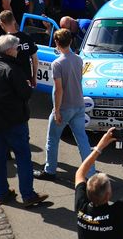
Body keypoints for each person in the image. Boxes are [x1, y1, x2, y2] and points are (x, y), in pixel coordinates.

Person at [0, 34, 48, 208]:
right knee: (23, 157)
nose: (18, 50)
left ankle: (1, 193)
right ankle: (28, 194)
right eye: (16, 48)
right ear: (10, 50)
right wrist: (26, 84)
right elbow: (25, 93)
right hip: (14, 121)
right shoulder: (13, 69)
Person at [34, 28, 93, 181]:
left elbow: (58, 90)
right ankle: (90, 172)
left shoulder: (57, 64)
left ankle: (50, 170)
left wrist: (57, 110)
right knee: (82, 140)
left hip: (65, 106)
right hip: (79, 104)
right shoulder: (79, 59)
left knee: (52, 138)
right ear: (71, 41)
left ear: (56, 43)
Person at [75, 127, 123, 238]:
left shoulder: (81, 207)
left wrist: (99, 147)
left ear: (87, 192)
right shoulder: (117, 213)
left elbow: (79, 174)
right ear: (108, 195)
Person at [0, 10, 38, 87]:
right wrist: (34, 77)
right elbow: (35, 60)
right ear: (14, 21)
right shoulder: (27, 38)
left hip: (10, 80)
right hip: (26, 79)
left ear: (1, 24)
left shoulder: (2, 42)